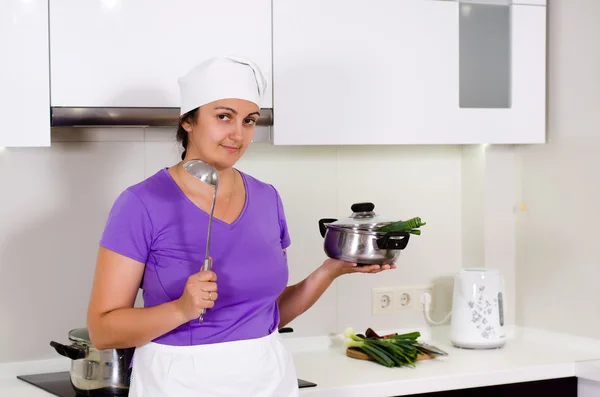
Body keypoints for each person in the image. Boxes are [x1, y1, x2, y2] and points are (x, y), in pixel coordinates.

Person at [86, 56, 395, 397]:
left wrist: (330, 270)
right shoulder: (141, 204)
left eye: (249, 121)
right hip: (179, 383)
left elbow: (267, 314)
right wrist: (181, 309)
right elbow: (103, 330)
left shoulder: (266, 198)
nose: (239, 134)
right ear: (188, 120)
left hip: (266, 378)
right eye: (223, 117)